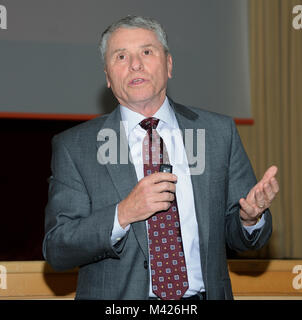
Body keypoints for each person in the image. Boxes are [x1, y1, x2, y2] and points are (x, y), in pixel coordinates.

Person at [43, 15, 279, 300]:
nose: (135, 64)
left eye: (146, 51)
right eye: (121, 56)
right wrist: (123, 214)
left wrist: (249, 218)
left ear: (168, 65)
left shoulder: (218, 133)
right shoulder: (75, 146)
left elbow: (239, 236)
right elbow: (58, 249)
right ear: (107, 77)